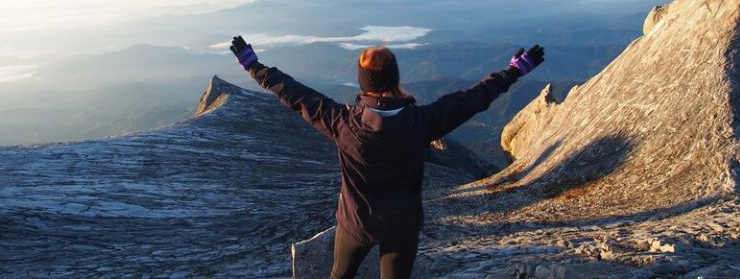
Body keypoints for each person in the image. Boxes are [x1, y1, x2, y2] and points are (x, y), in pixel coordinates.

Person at [229, 36, 544, 279]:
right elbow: (472, 99)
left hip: (355, 223)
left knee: (340, 276)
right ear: (394, 79)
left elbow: (294, 93)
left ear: (363, 84)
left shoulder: (342, 123)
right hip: (402, 226)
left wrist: (253, 65)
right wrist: (513, 71)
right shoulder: (422, 122)